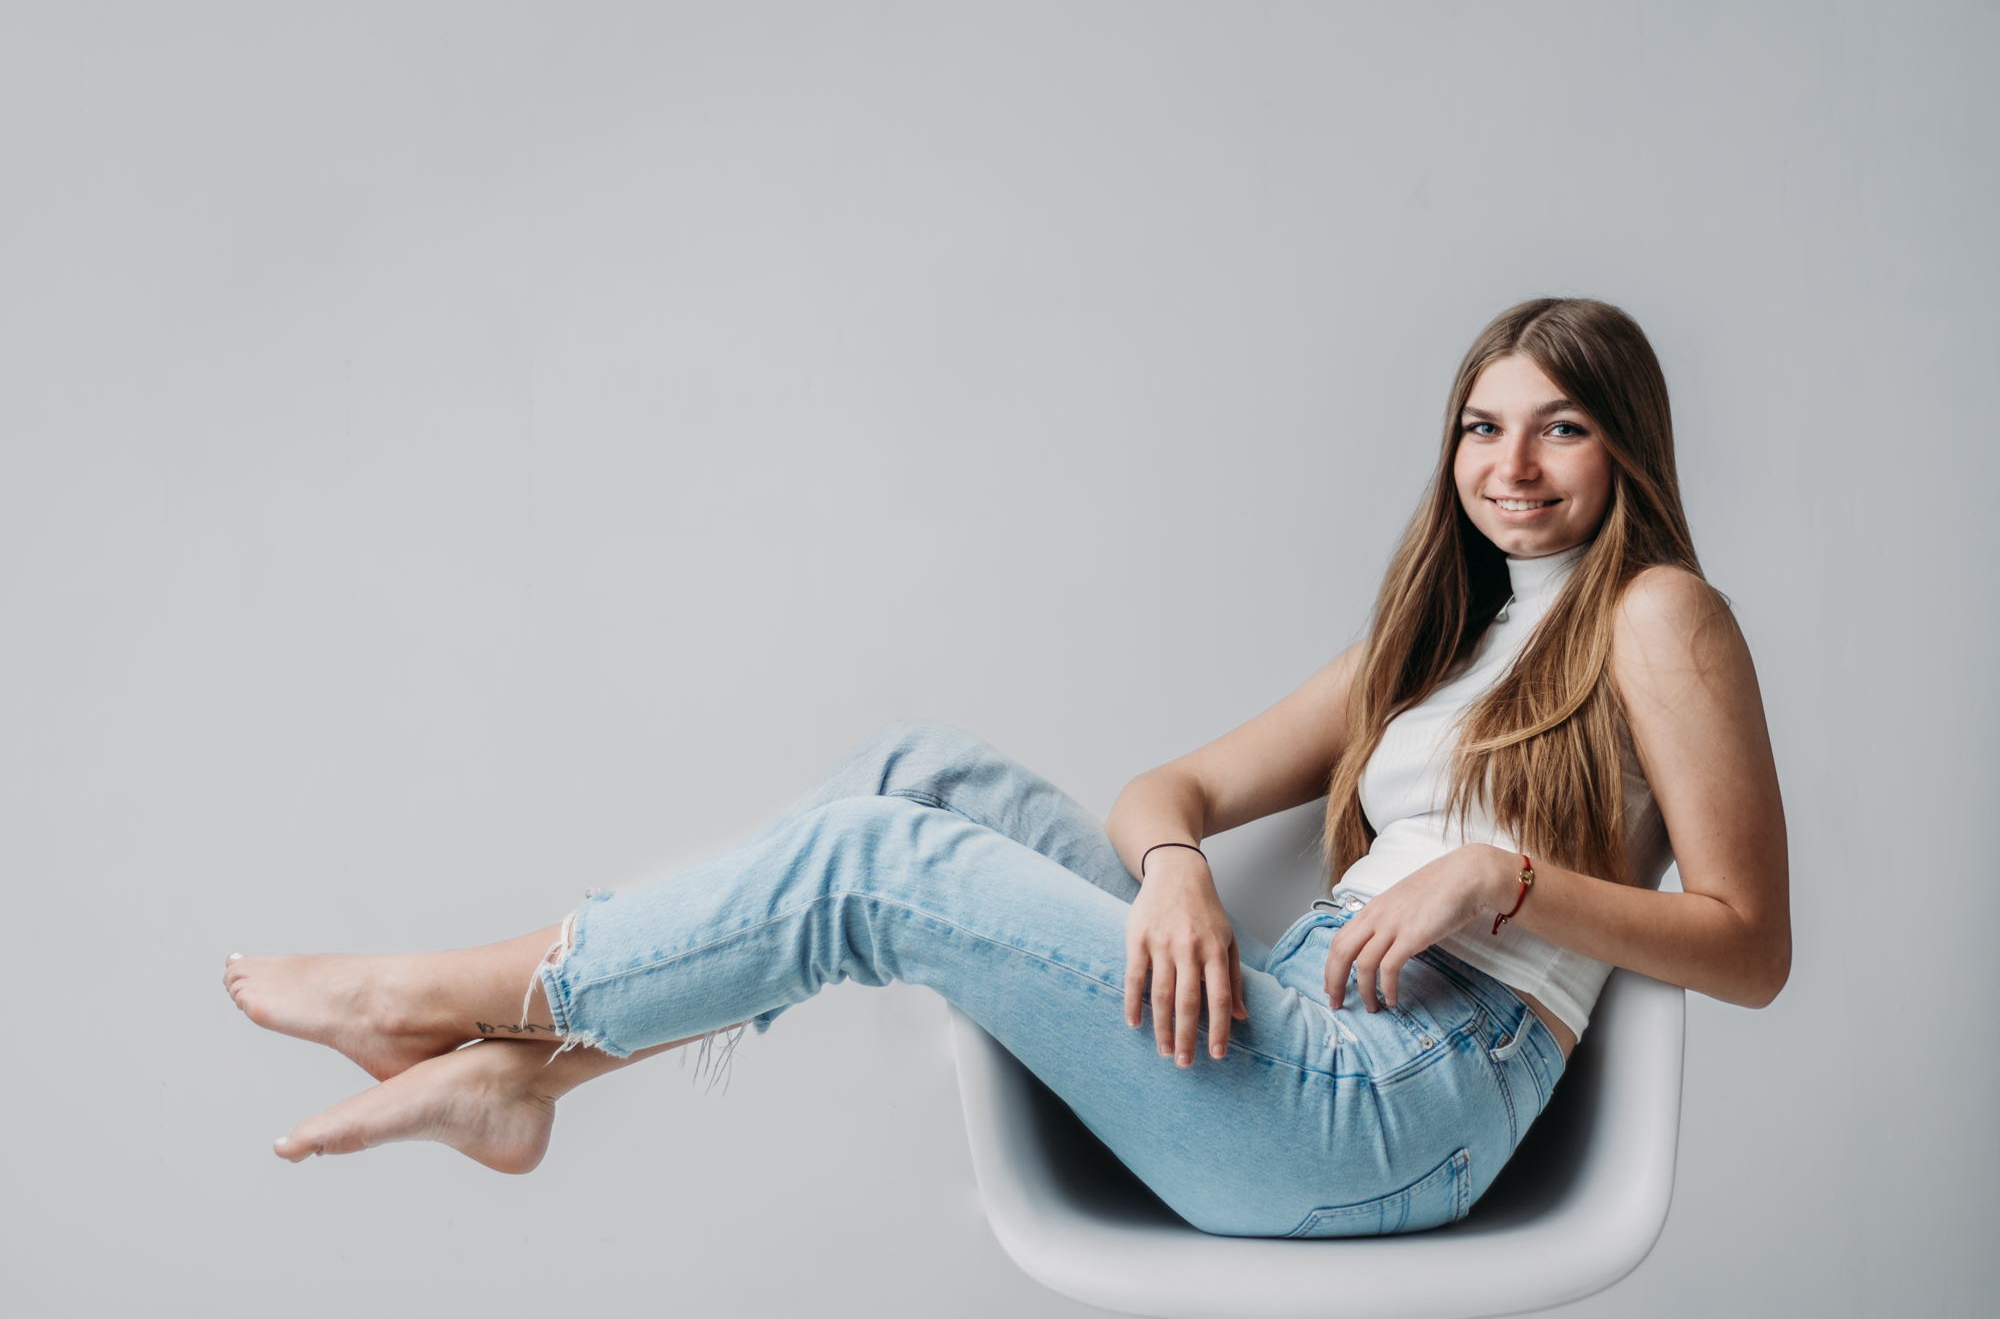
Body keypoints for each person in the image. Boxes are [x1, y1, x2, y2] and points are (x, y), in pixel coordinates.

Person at [223, 297, 1789, 1238]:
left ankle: (461, 1003)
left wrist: (1504, 877)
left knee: (871, 865)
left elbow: (1752, 947)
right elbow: (1158, 794)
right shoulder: (1432, 648)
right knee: (915, 771)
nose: (1509, 468)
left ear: (1622, 449)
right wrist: (1173, 870)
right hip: (1287, 1020)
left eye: (1560, 428)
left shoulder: (1659, 615)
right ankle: (522, 1079)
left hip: (1384, 1108)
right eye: (1480, 427)